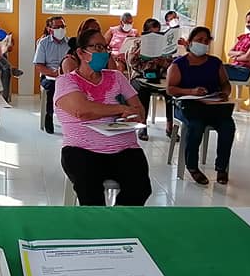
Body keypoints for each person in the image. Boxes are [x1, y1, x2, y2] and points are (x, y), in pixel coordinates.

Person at [54, 28, 152, 206]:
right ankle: (98, 223)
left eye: (105, 48)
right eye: (97, 47)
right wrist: (120, 109)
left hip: (124, 150)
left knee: (140, 188)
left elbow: (138, 109)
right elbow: (82, 111)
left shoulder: (117, 77)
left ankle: (119, 219)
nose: (103, 53)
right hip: (82, 150)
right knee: (91, 195)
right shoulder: (67, 81)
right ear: (81, 53)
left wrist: (134, 116)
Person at [167, 26, 236, 185]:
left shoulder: (215, 63)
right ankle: (192, 166)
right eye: (199, 40)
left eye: (206, 41)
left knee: (228, 127)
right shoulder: (179, 64)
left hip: (213, 105)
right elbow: (170, 89)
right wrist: (191, 91)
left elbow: (225, 83)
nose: (203, 43)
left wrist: (224, 93)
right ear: (190, 42)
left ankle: (221, 167)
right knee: (196, 126)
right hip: (188, 106)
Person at [128, 18, 175, 140]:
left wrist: (162, 62)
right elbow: (132, 63)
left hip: (159, 77)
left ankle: (169, 127)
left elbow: (171, 65)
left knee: (170, 91)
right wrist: (141, 51)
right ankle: (143, 126)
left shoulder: (164, 45)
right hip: (140, 77)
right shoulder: (137, 43)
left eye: (157, 33)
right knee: (143, 91)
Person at [33, 16, 70, 134]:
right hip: (49, 76)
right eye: (57, 27)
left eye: (62, 26)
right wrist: (54, 73)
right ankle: (49, 115)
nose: (61, 29)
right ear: (50, 29)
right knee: (51, 87)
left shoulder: (70, 43)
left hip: (67, 75)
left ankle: (72, 119)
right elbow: (39, 65)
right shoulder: (43, 43)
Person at [225, 8, 250, 81]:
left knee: (216, 70)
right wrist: (240, 53)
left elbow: (247, 57)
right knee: (215, 66)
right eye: (248, 22)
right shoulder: (242, 37)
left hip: (243, 71)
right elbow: (229, 52)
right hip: (234, 67)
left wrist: (235, 58)